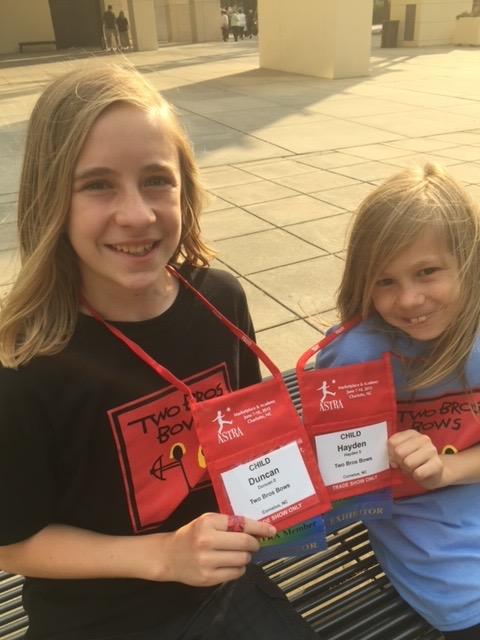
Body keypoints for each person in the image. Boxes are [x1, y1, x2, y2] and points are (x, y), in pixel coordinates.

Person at [0, 64, 319, 640]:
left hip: (224, 586)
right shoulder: (24, 361)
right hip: (101, 617)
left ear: (185, 188)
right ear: (51, 200)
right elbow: (13, 542)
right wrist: (162, 557)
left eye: (156, 179)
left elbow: (246, 439)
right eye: (97, 184)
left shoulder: (220, 300)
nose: (137, 214)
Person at [315, 163, 480, 639]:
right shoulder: (356, 357)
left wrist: (445, 468)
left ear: (468, 262)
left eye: (427, 272)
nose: (409, 299)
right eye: (385, 281)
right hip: (441, 550)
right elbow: (342, 473)